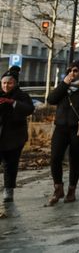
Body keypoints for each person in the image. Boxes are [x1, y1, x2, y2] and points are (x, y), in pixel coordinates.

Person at [45, 60, 79, 205]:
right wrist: (64, 84)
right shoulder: (65, 85)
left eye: (75, 71)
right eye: (70, 70)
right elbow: (51, 99)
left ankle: (71, 190)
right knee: (55, 157)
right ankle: (58, 188)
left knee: (74, 158)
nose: (72, 73)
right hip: (61, 126)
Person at [0, 67, 34, 211]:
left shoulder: (21, 95)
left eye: (9, 83)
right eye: (4, 83)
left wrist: (12, 103)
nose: (6, 86)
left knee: (10, 165)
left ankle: (8, 190)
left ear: (15, 83)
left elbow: (29, 109)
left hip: (14, 137)